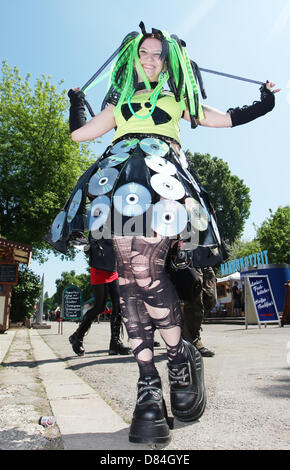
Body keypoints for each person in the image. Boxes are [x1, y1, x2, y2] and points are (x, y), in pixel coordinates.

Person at [45, 22, 279, 445]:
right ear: (133, 59)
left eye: (159, 55)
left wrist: (263, 103)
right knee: (131, 281)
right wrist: (76, 103)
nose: (152, 60)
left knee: (147, 273)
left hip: (161, 185)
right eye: (145, 53)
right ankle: (149, 385)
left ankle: (177, 359)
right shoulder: (120, 105)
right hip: (118, 186)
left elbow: (222, 119)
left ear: (168, 62)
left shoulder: (175, 99)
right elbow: (80, 133)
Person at [69, 237, 131, 356]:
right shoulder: (96, 221)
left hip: (113, 267)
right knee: (99, 307)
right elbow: (84, 240)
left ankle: (115, 344)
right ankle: (77, 336)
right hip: (99, 266)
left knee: (118, 306)